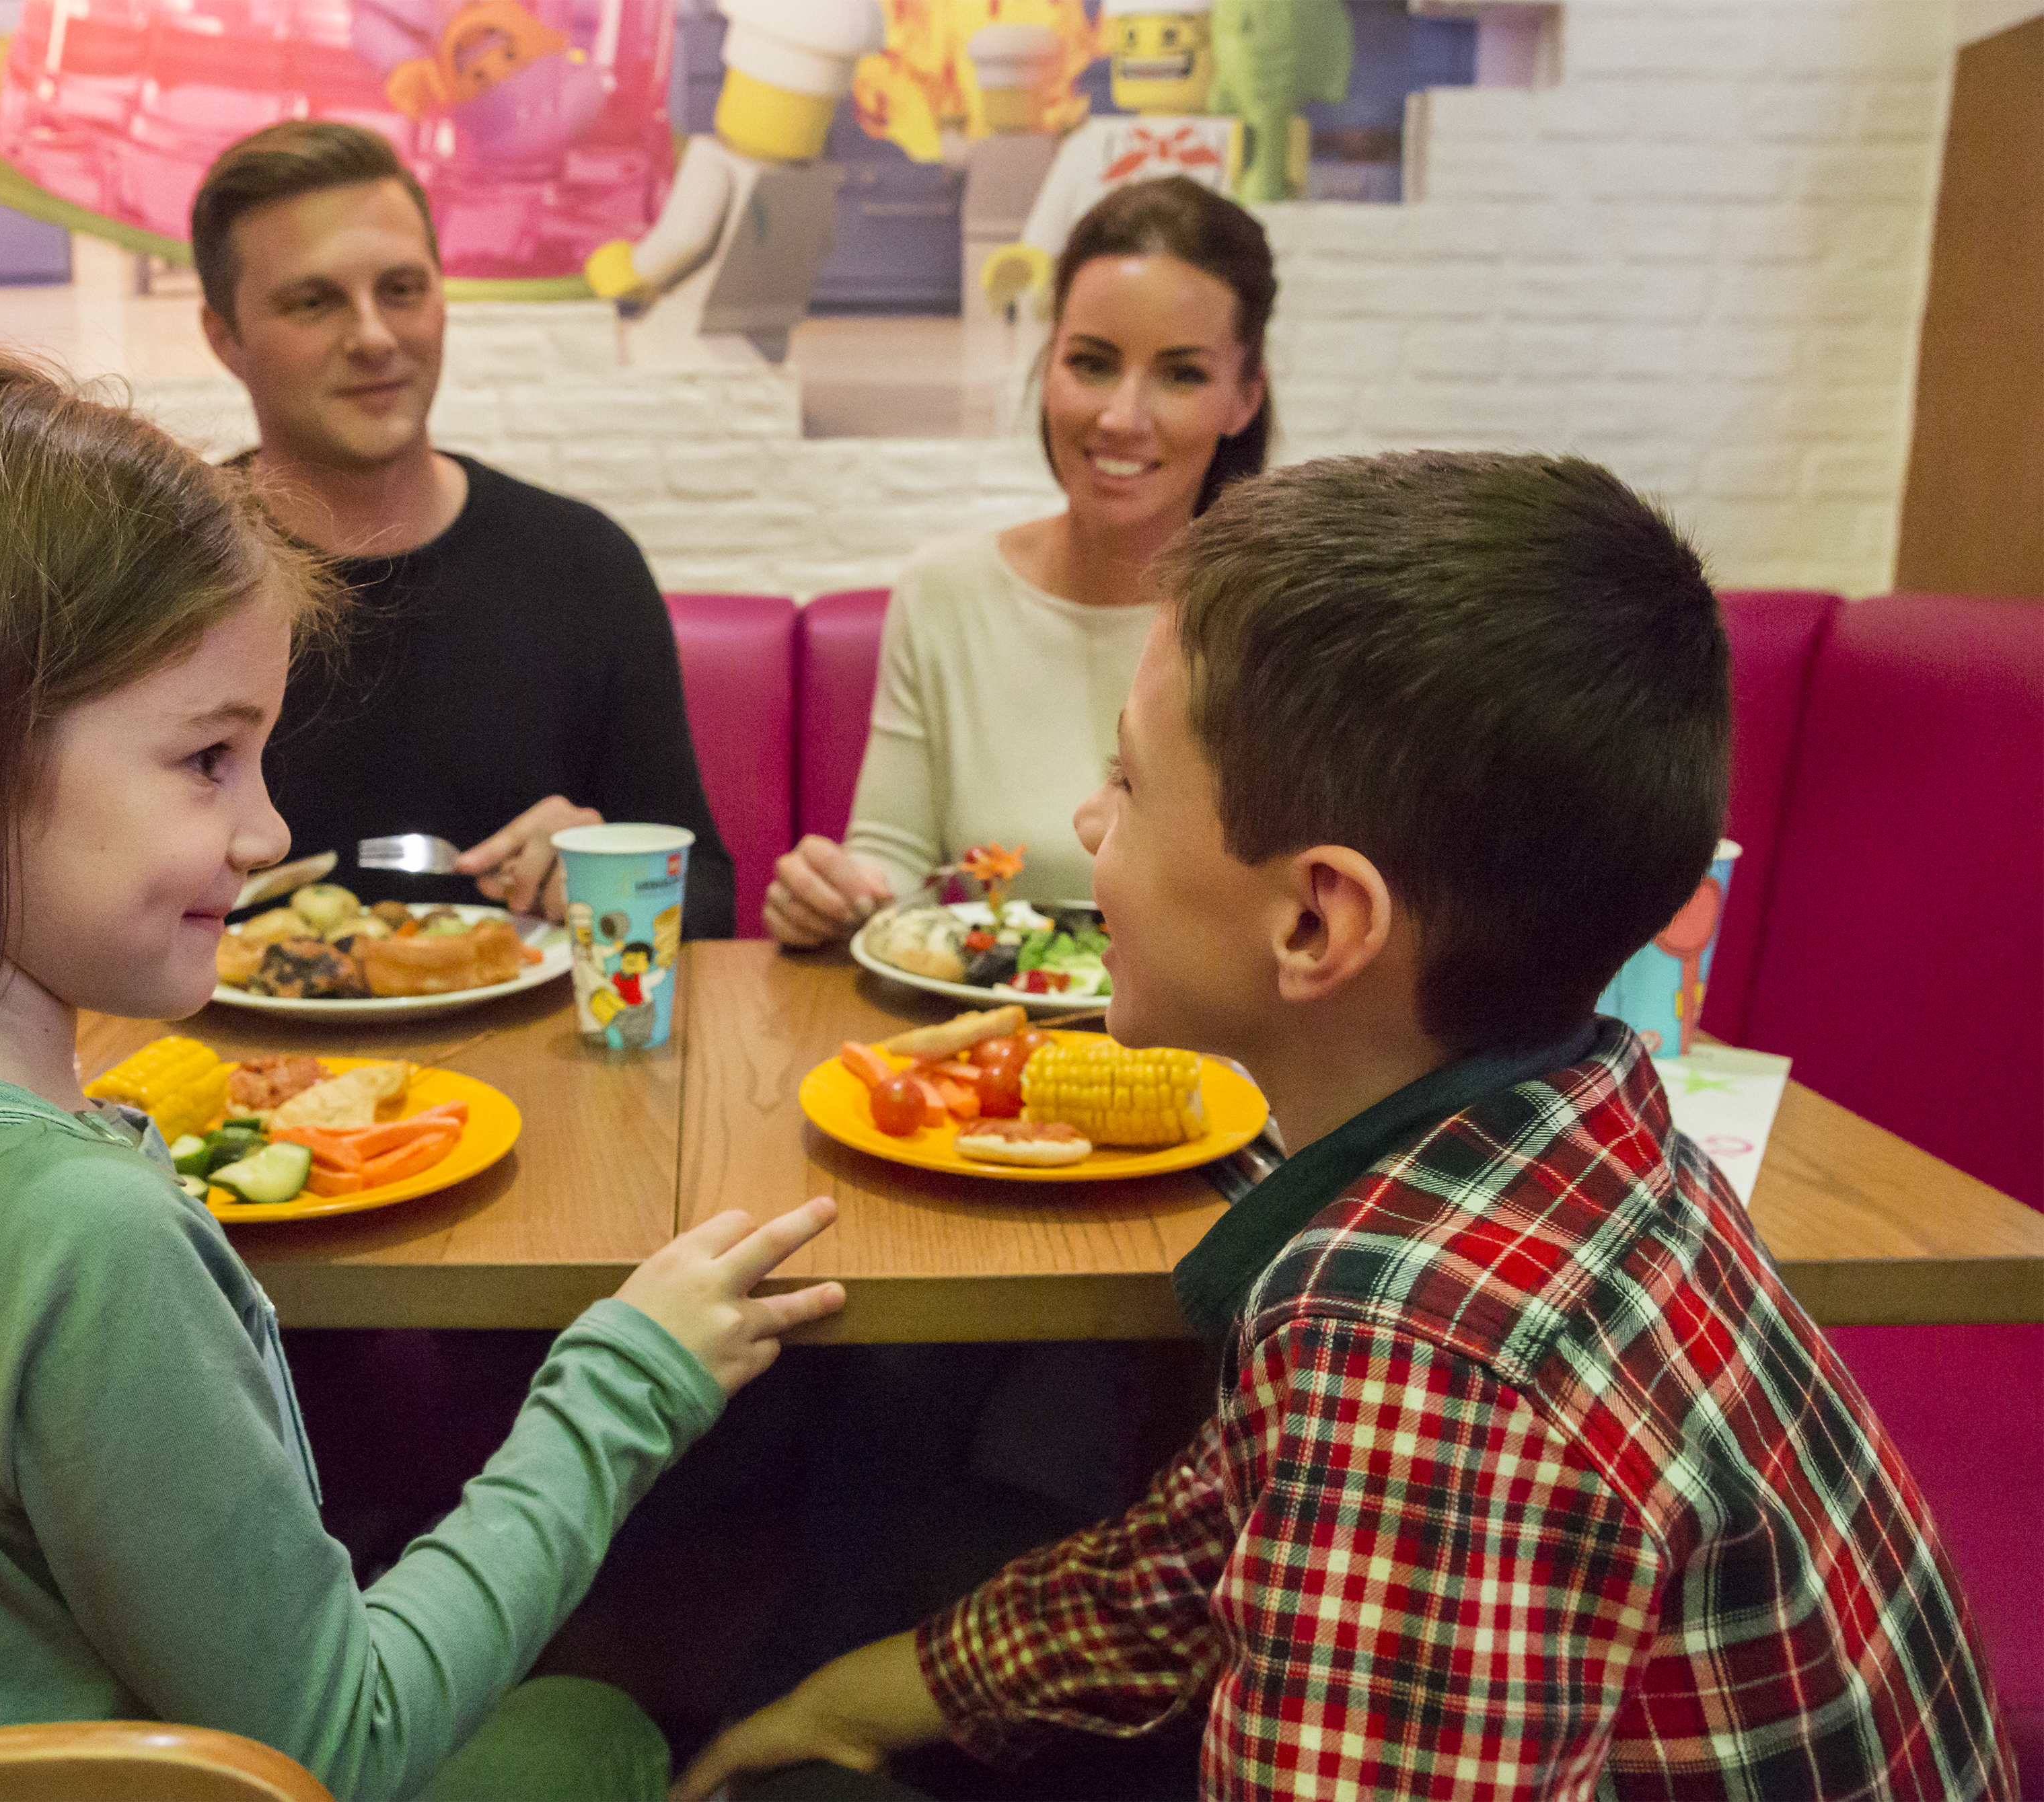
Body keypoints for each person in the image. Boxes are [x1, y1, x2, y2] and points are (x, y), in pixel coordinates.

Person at [680, 453, 2016, 1801]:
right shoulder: (1574, 1115)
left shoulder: (1416, 1350)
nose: (1087, 821)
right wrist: (838, 1699)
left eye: (1125, 784)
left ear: (1316, 921)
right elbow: (1188, 1556)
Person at [0, 345, 846, 1801]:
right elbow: (335, 1740)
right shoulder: (79, 1236)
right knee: (598, 1730)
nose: (268, 831)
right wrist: (622, 1381)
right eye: (207, 759)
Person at [192, 118, 737, 936]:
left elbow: (707, 900)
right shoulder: (161, 576)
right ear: (225, 339)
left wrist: (609, 870)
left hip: (529, 1057)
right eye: (314, 301)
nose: (374, 336)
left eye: (403, 290)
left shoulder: (583, 566)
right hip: (222, 1057)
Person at [765, 176, 1272, 943]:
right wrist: (840, 897)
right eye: (1092, 363)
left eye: (1181, 374)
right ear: (1048, 370)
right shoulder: (945, 594)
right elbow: (894, 854)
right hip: (986, 1041)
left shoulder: (1284, 625)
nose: (1120, 417)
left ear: (1244, 398)